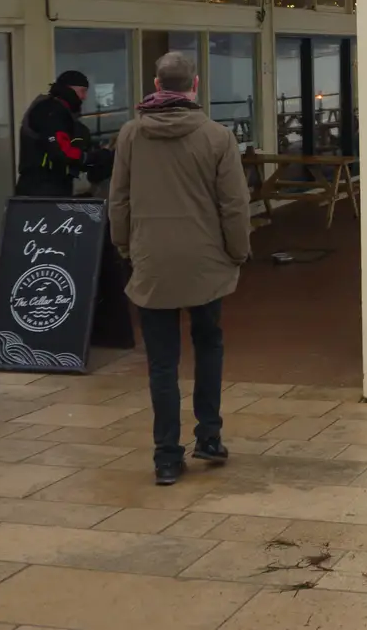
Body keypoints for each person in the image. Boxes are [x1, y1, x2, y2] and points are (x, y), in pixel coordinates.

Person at [109, 51, 252, 487]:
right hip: (206, 262)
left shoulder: (131, 134)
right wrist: (238, 251)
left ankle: (167, 456)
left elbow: (119, 199)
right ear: (195, 86)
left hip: (152, 261)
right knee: (208, 345)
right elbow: (234, 204)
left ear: (157, 85)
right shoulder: (217, 136)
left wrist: (125, 246)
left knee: (161, 363)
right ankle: (208, 435)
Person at [16, 70, 93, 197]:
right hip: (42, 187)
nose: (84, 97)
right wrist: (87, 157)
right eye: (82, 91)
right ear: (70, 89)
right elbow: (61, 151)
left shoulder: (58, 111)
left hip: (46, 185)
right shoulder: (51, 111)